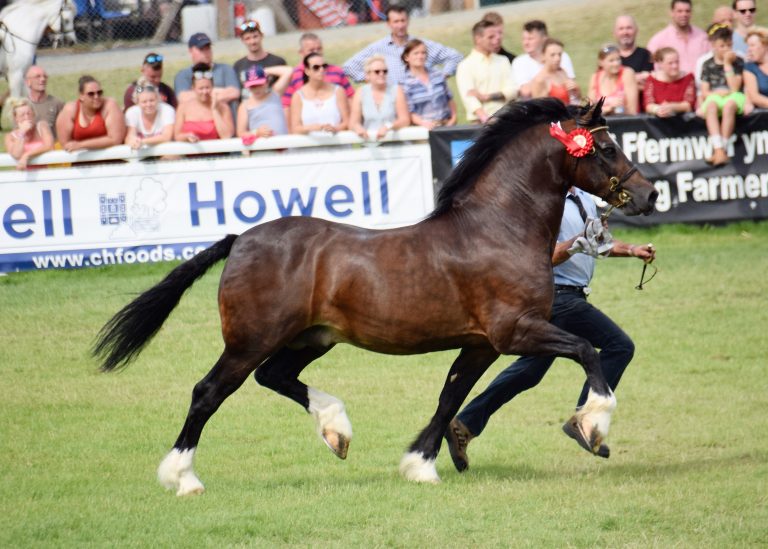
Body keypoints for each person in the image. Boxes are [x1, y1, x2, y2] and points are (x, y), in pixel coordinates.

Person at [444, 187, 656, 472]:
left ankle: (464, 424)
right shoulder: (542, 202)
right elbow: (546, 257)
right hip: (557, 297)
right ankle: (586, 419)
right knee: (619, 346)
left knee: (530, 371)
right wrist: (578, 241)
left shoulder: (582, 198)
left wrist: (631, 250)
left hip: (570, 296)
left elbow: (599, 243)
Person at [342, 6, 463, 86]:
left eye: (403, 20)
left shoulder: (421, 45)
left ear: (408, 21)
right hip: (393, 100)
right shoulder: (377, 48)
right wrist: (373, 78)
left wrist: (441, 77)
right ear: (388, 24)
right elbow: (348, 67)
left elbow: (455, 56)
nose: (400, 25)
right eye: (396, 21)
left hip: (422, 100)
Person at [698, 24, 747, 165]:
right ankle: (718, 148)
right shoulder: (707, 64)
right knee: (711, 106)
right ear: (713, 45)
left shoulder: (738, 61)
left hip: (734, 96)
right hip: (715, 96)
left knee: (729, 106)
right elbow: (705, 90)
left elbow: (735, 87)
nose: (727, 49)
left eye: (729, 45)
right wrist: (715, 93)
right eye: (722, 46)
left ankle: (722, 148)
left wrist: (727, 64)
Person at [282, 33, 355, 123]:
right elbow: (286, 105)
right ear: (301, 53)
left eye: (319, 48)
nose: (316, 52)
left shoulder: (336, 71)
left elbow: (350, 98)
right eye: (311, 50)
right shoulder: (294, 75)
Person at [456, 19, 518, 124]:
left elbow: (513, 90)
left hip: (507, 119)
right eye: (491, 37)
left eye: (497, 36)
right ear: (478, 39)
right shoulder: (465, 65)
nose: (496, 40)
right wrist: (486, 119)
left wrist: (486, 97)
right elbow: (470, 99)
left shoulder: (503, 60)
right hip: (481, 123)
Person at [174, 33, 240, 121]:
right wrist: (217, 92)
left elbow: (234, 92)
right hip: (198, 121)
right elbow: (183, 98)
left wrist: (201, 95)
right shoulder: (183, 75)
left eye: (208, 48)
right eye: (201, 49)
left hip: (224, 119)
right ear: (190, 51)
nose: (206, 53)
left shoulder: (225, 69)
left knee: (234, 103)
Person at [56, 75, 126, 152]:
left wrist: (81, 145)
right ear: (81, 96)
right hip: (80, 160)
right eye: (91, 94)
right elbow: (66, 144)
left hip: (111, 158)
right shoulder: (70, 110)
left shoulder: (110, 105)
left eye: (99, 92)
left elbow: (115, 140)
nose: (96, 96)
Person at [349, 55, 410, 141]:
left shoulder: (396, 90)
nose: (381, 74)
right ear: (368, 75)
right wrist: (358, 128)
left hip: (393, 142)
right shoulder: (361, 92)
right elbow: (353, 122)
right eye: (377, 71)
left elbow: (404, 120)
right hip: (370, 142)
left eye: (385, 71)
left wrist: (388, 127)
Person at [511, 20, 576, 99]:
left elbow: (571, 86)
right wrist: (547, 70)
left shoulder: (562, 56)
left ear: (544, 39)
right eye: (524, 39)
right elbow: (526, 92)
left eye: (530, 39)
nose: (526, 43)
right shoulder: (519, 62)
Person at [401, 39, 457, 129]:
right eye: (416, 53)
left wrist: (453, 119)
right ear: (406, 57)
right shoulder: (404, 83)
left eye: (423, 53)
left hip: (446, 126)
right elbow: (409, 111)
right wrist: (423, 123)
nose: (420, 56)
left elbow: (449, 98)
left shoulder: (437, 74)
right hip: (422, 129)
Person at [290, 52, 349, 135]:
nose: (321, 70)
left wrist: (335, 129)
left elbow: (347, 122)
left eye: (324, 66)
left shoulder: (338, 91)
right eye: (316, 67)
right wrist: (314, 128)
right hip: (309, 145)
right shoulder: (298, 95)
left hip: (335, 143)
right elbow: (295, 128)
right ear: (307, 71)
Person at [174, 63, 235, 142]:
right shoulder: (183, 107)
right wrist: (187, 137)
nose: (205, 91)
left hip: (217, 152)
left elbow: (226, 136)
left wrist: (215, 110)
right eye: (201, 88)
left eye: (207, 87)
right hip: (191, 151)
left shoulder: (223, 107)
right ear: (193, 88)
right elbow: (177, 136)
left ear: (213, 87)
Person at [647, 0, 711, 75]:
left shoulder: (702, 37)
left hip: (701, 84)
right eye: (679, 11)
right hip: (673, 84)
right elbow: (653, 69)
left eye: (687, 11)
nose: (684, 14)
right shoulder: (658, 41)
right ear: (671, 13)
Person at [232, 19, 287, 97]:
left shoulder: (277, 62)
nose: (253, 41)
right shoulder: (238, 66)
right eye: (248, 38)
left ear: (261, 36)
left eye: (255, 36)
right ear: (242, 40)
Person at [236, 65, 289, 140]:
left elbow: (288, 71)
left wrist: (264, 71)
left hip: (283, 147)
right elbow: (241, 133)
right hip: (261, 148)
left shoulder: (275, 93)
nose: (256, 89)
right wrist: (256, 133)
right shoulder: (245, 105)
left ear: (267, 82)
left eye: (259, 85)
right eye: (253, 86)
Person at [124, 78, 176, 149]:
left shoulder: (167, 110)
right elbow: (129, 136)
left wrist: (142, 141)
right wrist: (133, 141)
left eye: (152, 100)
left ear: (158, 99)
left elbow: (167, 136)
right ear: (137, 102)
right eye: (144, 102)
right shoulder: (131, 113)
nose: (148, 105)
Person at [644, 47, 697, 116]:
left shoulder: (687, 78)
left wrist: (672, 107)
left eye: (677, 62)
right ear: (660, 64)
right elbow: (648, 104)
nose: (675, 66)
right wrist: (657, 109)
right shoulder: (652, 79)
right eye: (670, 63)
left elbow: (688, 104)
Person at [589, 44, 639, 115]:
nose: (616, 64)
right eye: (611, 61)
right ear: (601, 62)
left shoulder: (627, 74)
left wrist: (619, 109)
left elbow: (633, 111)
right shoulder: (595, 77)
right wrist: (609, 108)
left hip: (624, 122)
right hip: (601, 124)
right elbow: (589, 110)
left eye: (618, 59)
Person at [4, 98, 53, 169]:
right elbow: (16, 155)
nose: (26, 117)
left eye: (29, 113)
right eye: (22, 115)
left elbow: (49, 146)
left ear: (33, 114)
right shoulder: (10, 136)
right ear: (16, 118)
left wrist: (27, 155)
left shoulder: (42, 126)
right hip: (23, 175)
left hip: (44, 174)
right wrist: (22, 132)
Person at [529, 38, 580, 105]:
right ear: (543, 56)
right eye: (552, 55)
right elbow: (538, 110)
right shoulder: (539, 80)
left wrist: (576, 90)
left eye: (559, 54)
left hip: (568, 113)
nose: (557, 58)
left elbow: (575, 98)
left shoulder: (562, 72)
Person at [614, 15, 654, 92]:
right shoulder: (610, 57)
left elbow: (647, 84)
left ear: (636, 31)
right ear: (615, 33)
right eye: (621, 29)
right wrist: (636, 78)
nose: (625, 32)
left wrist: (619, 81)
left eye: (629, 28)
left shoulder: (645, 54)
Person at [24, 65, 63, 140]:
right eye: (37, 77)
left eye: (45, 76)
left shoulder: (57, 103)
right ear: (28, 82)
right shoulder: (22, 105)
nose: (42, 79)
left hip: (53, 148)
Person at [743, 27, 768, 107]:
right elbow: (755, 97)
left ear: (765, 45)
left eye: (752, 45)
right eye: (748, 46)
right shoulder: (749, 68)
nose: (749, 49)